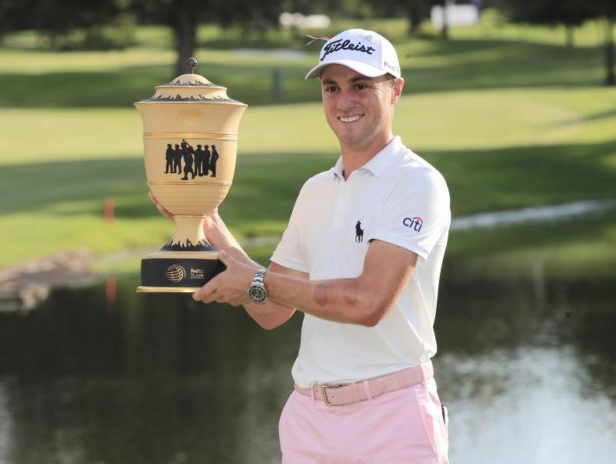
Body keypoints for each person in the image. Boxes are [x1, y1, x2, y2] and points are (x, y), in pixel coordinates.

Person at [150, 28, 450, 463]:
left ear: (396, 91)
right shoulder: (316, 190)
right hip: (309, 419)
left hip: (392, 416)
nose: (344, 101)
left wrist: (256, 281)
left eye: (361, 86)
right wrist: (207, 222)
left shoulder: (416, 182)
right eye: (332, 88)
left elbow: (367, 303)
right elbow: (272, 309)